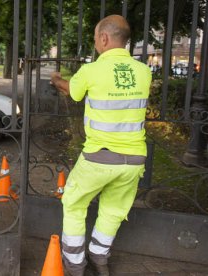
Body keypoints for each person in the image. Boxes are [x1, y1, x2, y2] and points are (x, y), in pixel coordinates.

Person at [50, 15, 151, 276]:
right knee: (113, 211)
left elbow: (72, 91)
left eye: (95, 38)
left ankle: (74, 265)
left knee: (73, 203)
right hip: (134, 160)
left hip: (99, 158)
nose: (95, 43)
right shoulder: (144, 72)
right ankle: (99, 258)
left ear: (104, 38)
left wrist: (56, 79)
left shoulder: (91, 71)